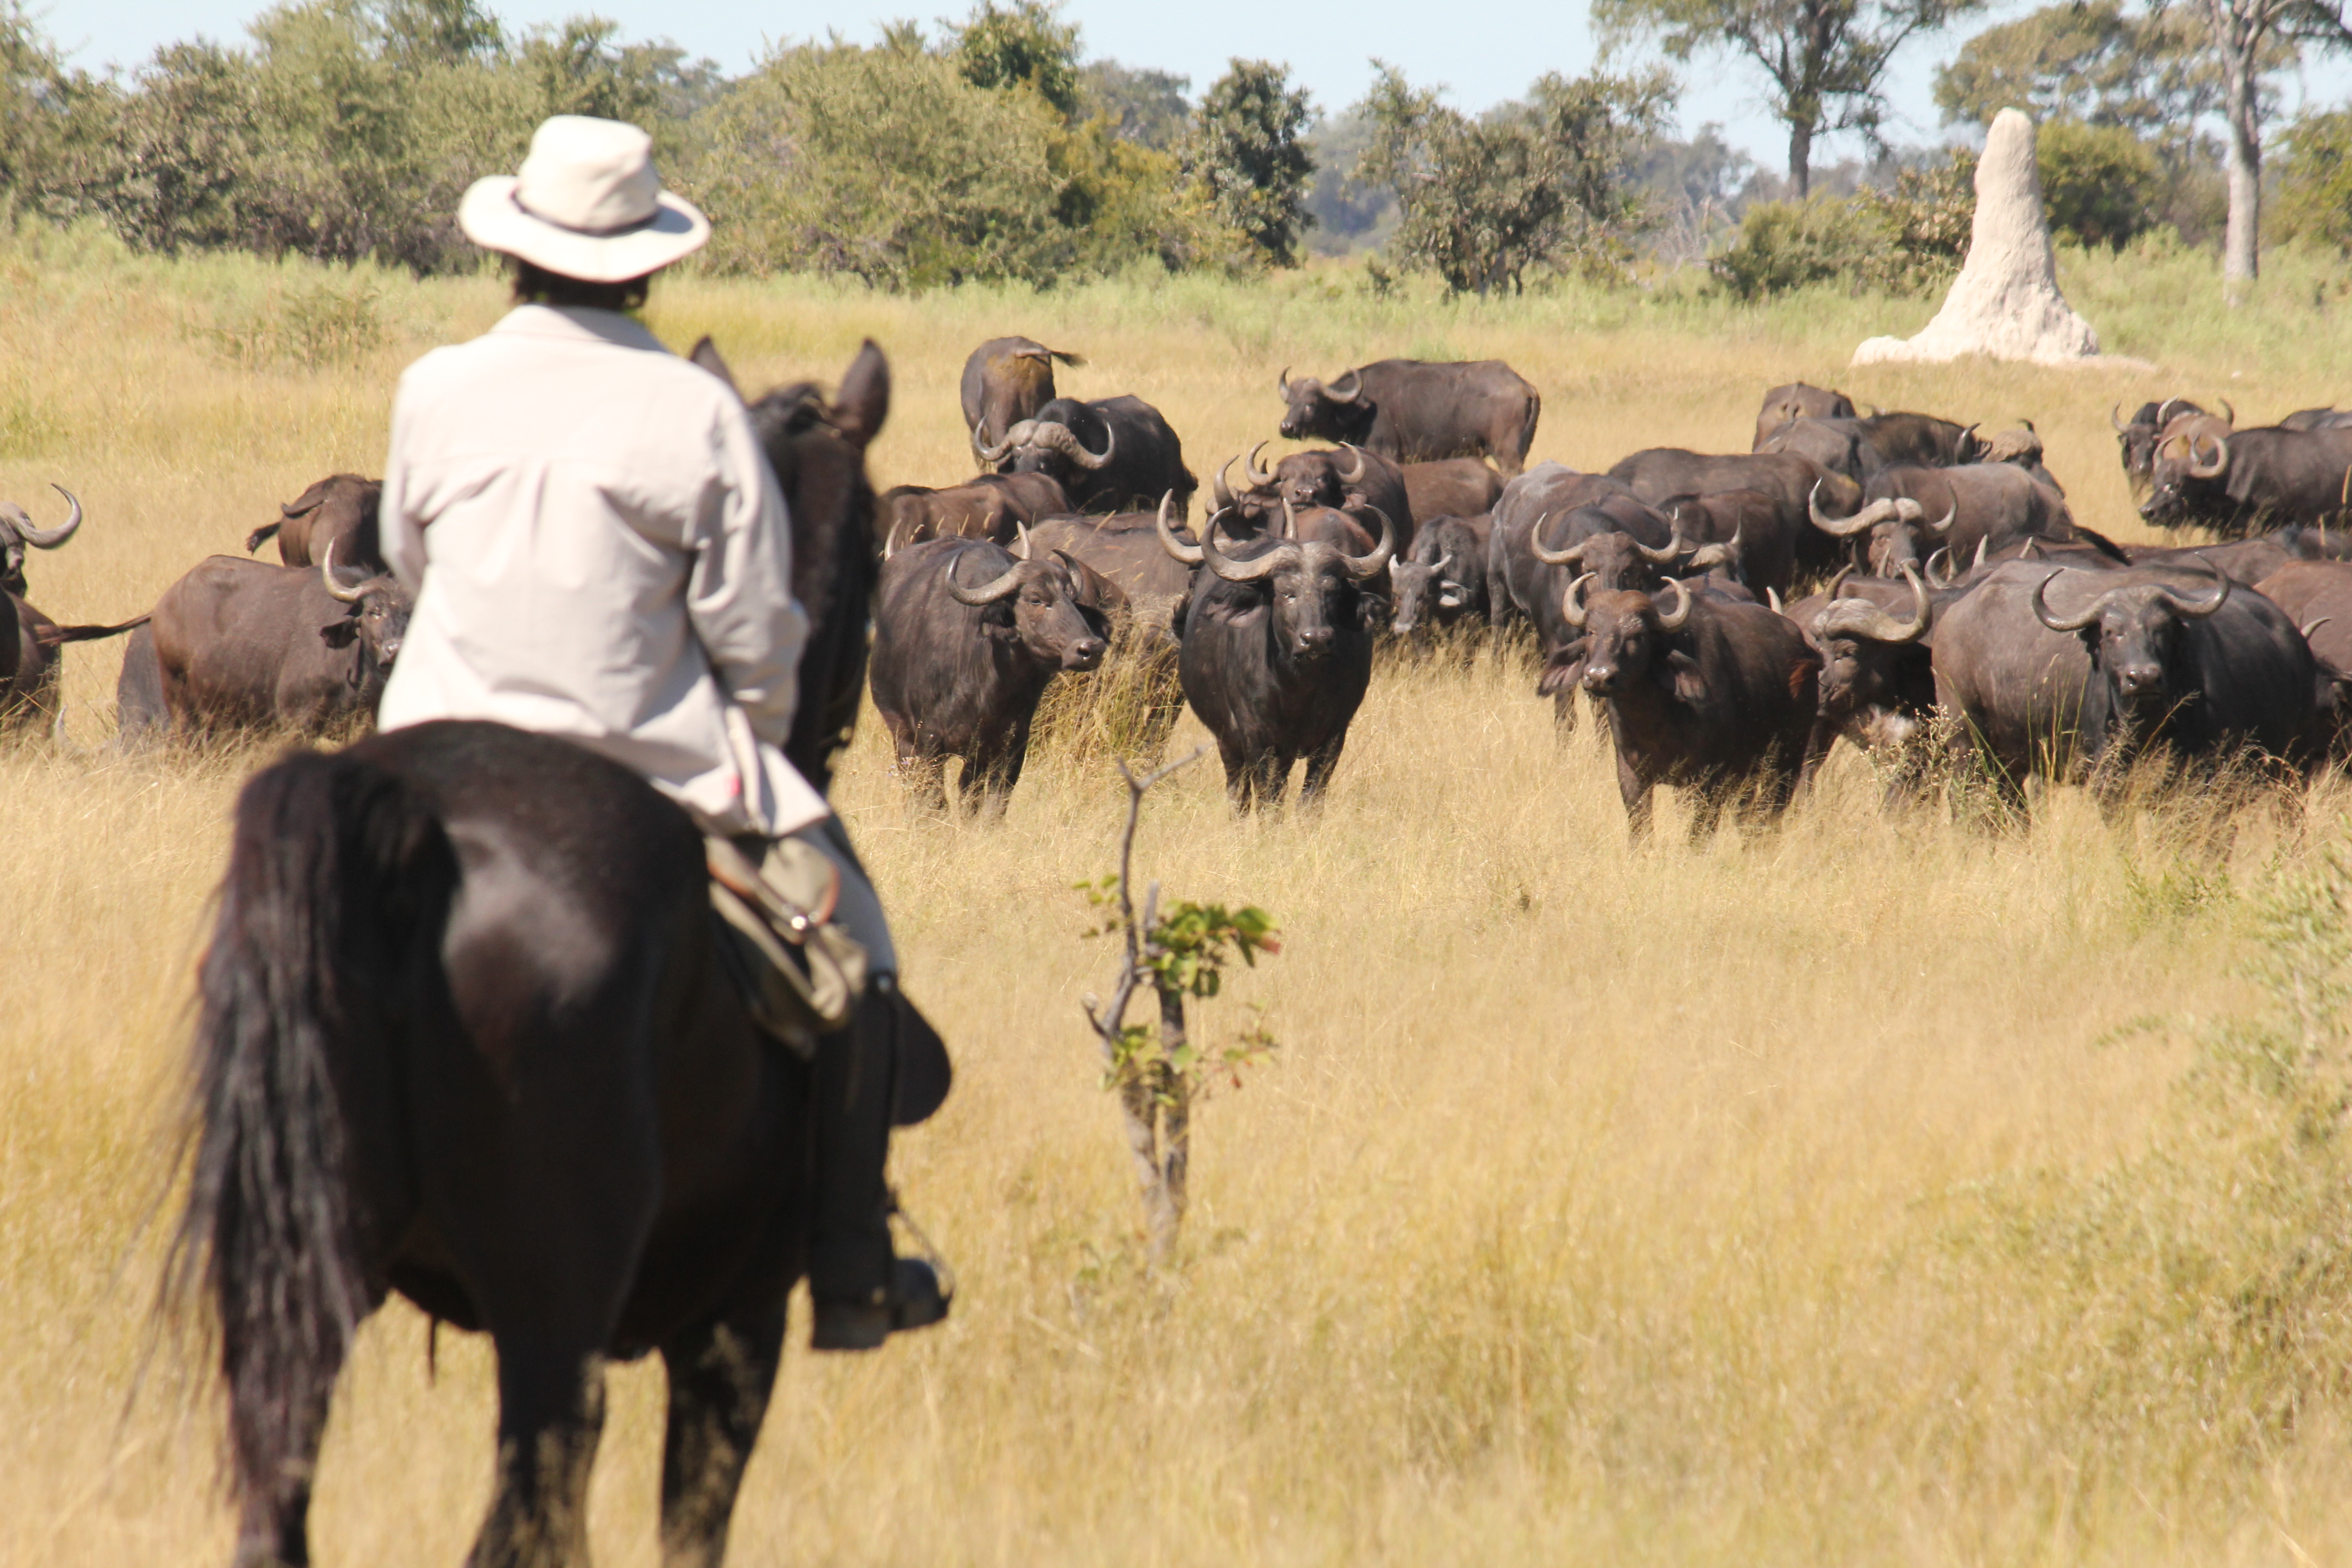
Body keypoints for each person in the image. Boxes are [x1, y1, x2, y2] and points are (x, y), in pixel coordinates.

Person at [375, 113, 946, 1351]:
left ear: (512, 251)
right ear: (647, 262)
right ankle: (852, 1260)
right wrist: (762, 746)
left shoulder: (434, 385)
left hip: (425, 738)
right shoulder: (693, 416)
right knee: (857, 957)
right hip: (649, 754)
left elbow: (407, 562)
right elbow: (752, 633)